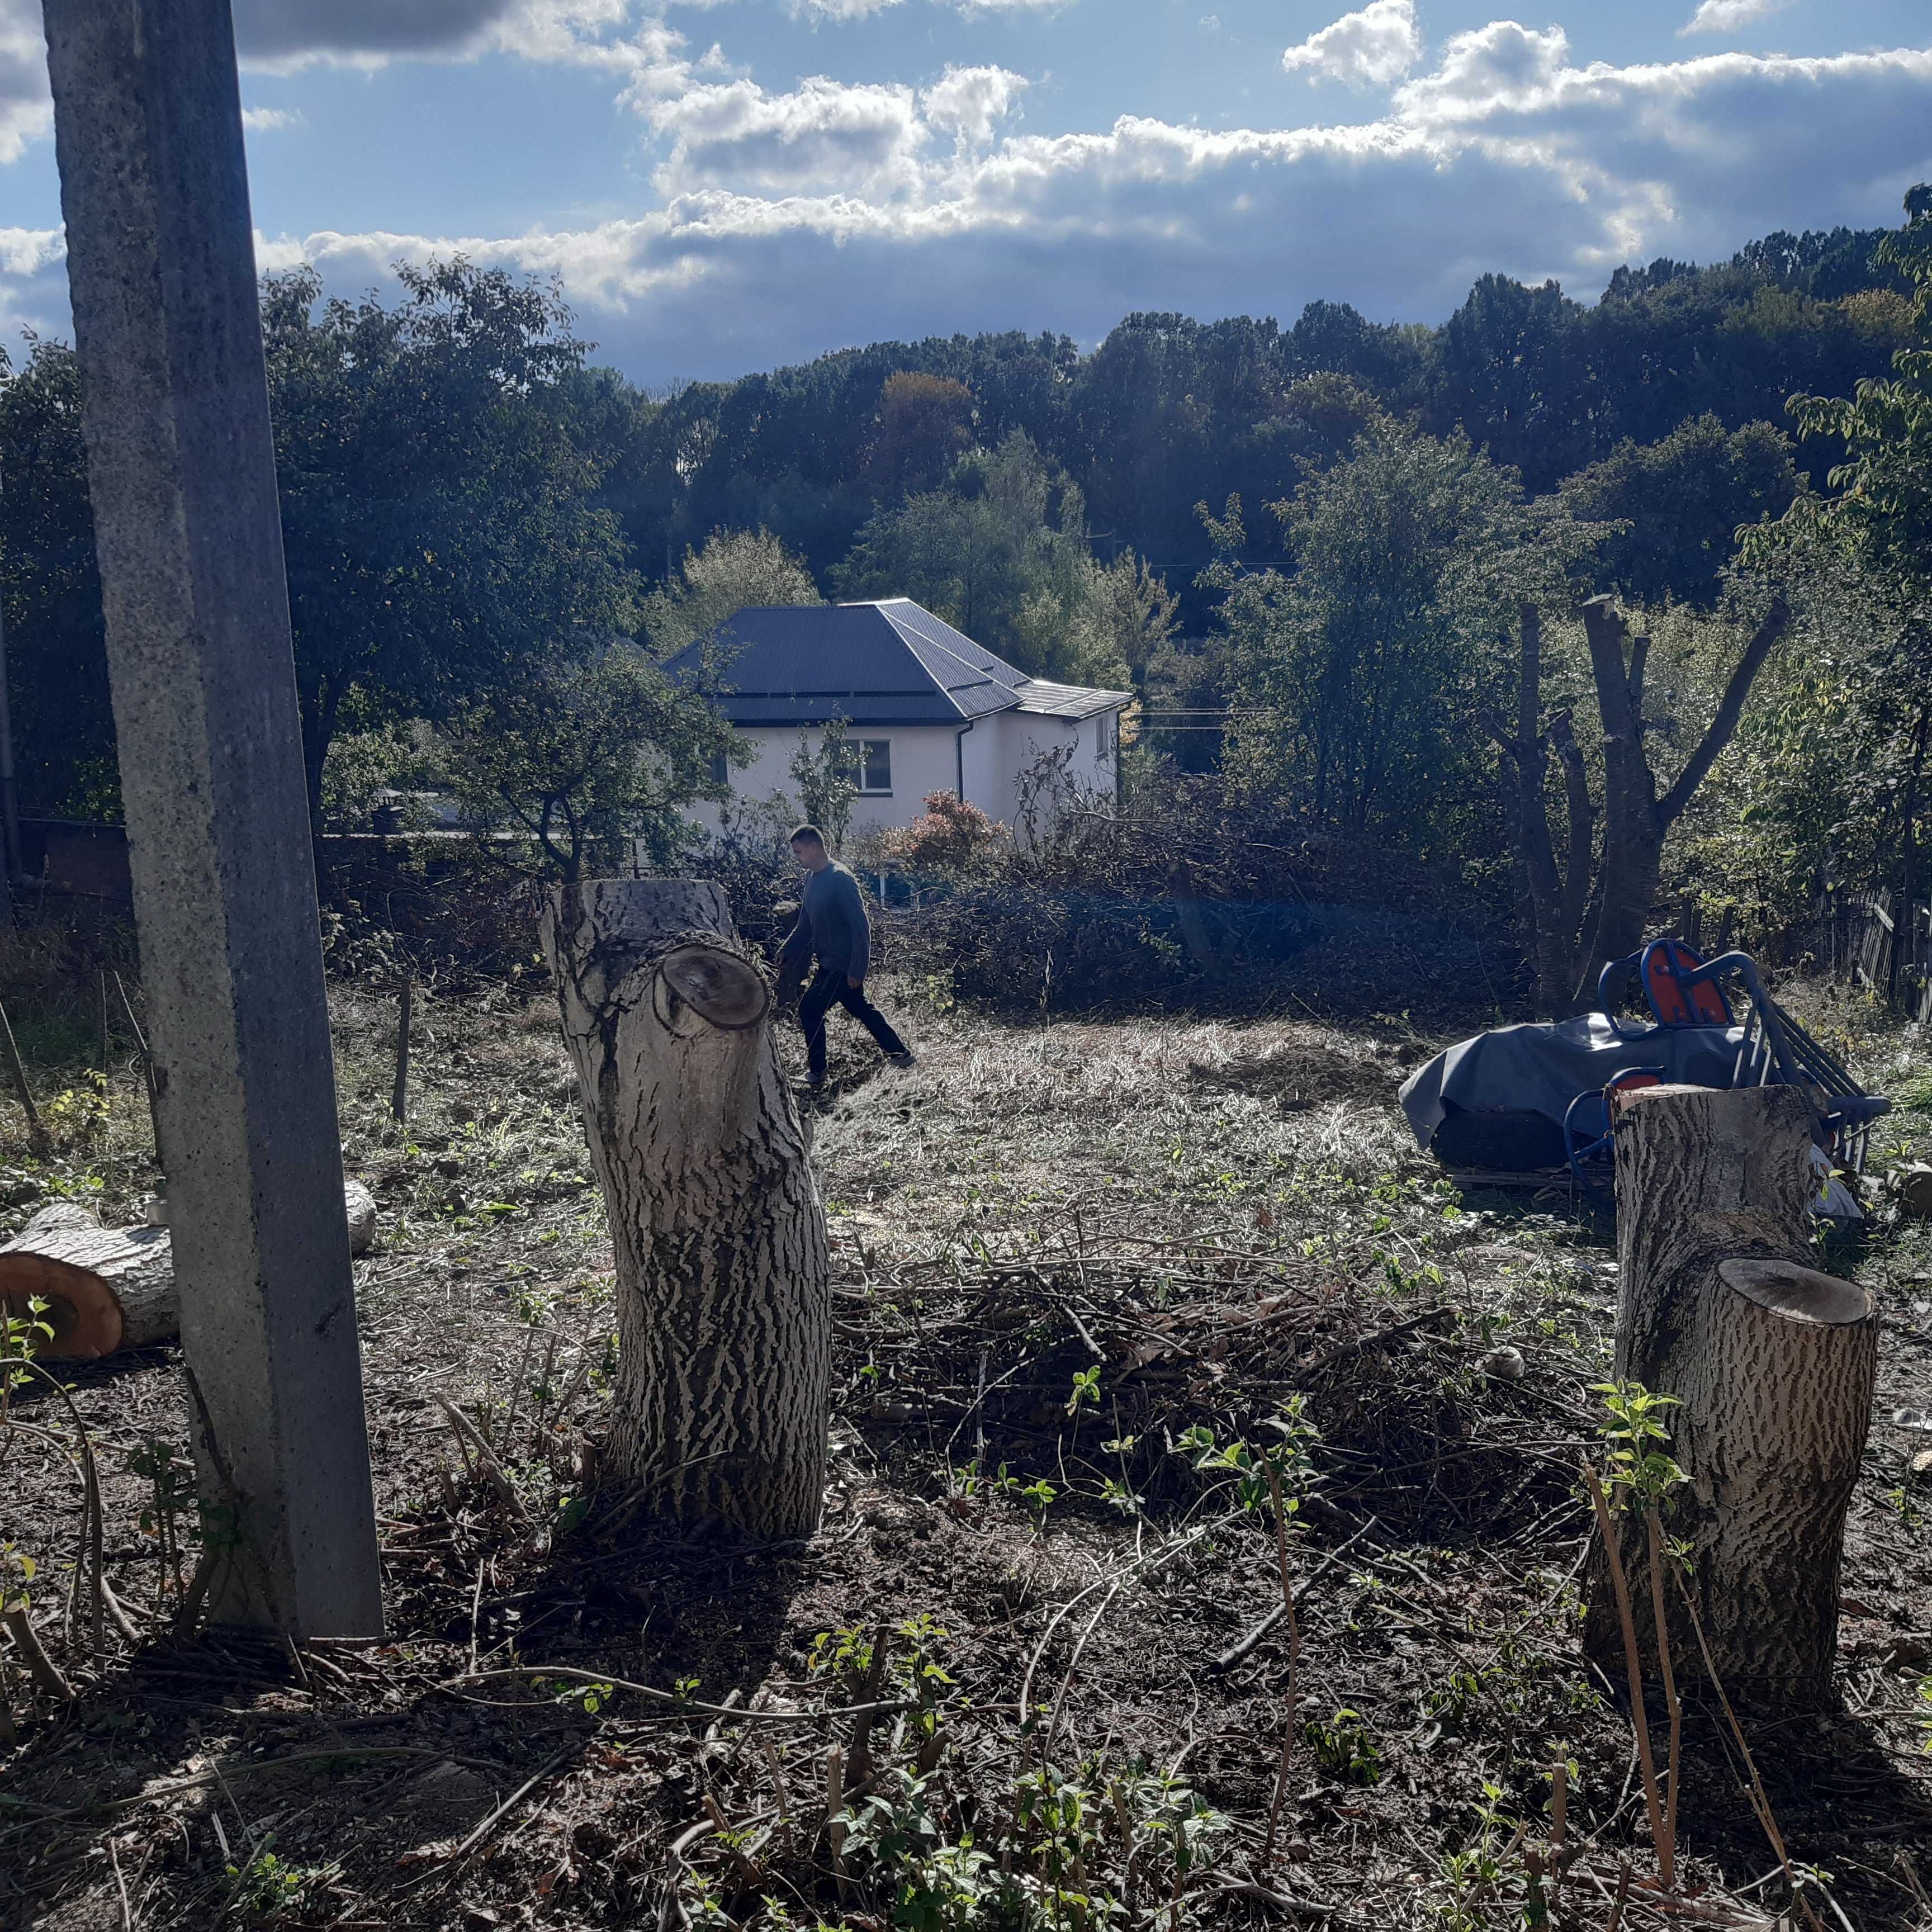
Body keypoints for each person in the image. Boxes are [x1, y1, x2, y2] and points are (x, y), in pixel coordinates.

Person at [777, 825, 915, 1090]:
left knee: (809, 1010)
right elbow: (805, 922)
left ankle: (817, 1072)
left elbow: (861, 926)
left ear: (815, 848)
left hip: (842, 965)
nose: (797, 858)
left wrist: (857, 969)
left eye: (799, 852)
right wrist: (788, 948)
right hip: (828, 962)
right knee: (859, 1007)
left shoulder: (841, 878)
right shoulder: (812, 879)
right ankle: (901, 1055)